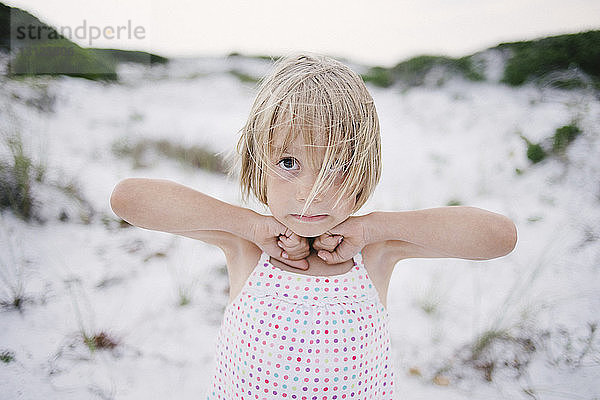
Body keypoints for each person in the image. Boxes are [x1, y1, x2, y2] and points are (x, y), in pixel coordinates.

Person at [109, 53, 517, 400]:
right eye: (289, 164)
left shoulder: (374, 252)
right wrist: (249, 224)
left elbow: (498, 237)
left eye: (336, 167)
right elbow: (129, 199)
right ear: (258, 163)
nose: (311, 193)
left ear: (364, 171)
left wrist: (376, 226)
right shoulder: (246, 248)